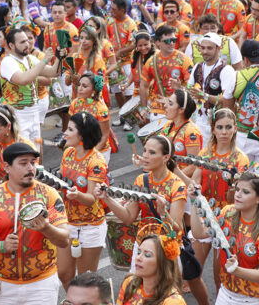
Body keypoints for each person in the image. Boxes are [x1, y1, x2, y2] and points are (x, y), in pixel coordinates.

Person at [0, 143, 69, 304]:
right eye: (23, 163)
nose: (30, 168)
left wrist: (46, 228)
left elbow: (64, 239)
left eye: (33, 162)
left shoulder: (49, 194)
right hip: (2, 285)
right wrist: (2, 246)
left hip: (41, 285)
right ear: (7, 167)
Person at [94, 134, 187, 272]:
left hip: (166, 248)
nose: (145, 156)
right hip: (143, 246)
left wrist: (163, 213)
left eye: (152, 152)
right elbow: (128, 217)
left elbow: (177, 228)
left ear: (166, 158)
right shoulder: (141, 180)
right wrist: (106, 198)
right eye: (145, 151)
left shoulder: (177, 186)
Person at [191, 171, 259, 305]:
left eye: (245, 192)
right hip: (225, 294)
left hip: (255, 299)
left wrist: (237, 270)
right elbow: (199, 233)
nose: (237, 194)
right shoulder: (228, 212)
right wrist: (194, 201)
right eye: (237, 189)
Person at [190, 108, 249, 290]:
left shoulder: (241, 159)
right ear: (213, 129)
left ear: (235, 129)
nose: (224, 132)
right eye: (220, 127)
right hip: (203, 214)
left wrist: (233, 187)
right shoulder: (205, 153)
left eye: (228, 127)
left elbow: (238, 199)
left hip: (226, 220)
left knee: (220, 277)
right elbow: (196, 179)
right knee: (191, 273)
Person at [57, 112, 108, 290]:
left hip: (89, 227)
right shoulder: (68, 153)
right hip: (67, 223)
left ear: (82, 135)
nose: (65, 132)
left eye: (70, 129)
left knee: (86, 282)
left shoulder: (96, 162)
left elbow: (92, 199)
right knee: (63, 273)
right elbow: (63, 183)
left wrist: (77, 195)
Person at [0, 28, 65, 150]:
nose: (27, 44)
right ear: (11, 45)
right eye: (22, 42)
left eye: (28, 41)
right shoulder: (7, 61)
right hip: (17, 113)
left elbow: (53, 73)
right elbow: (23, 79)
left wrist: (59, 58)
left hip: (34, 111)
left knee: (35, 150)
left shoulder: (30, 59)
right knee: (23, 150)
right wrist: (45, 60)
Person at [188, 32, 236, 145]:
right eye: (203, 48)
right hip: (199, 120)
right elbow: (190, 90)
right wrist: (179, 88)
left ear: (218, 49)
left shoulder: (226, 70)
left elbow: (227, 99)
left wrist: (204, 96)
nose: (205, 51)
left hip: (219, 123)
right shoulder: (197, 66)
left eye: (209, 48)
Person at [116, 226, 186, 304]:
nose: (138, 258)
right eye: (139, 252)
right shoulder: (129, 282)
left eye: (147, 255)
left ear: (162, 263)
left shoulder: (173, 301)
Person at [140, 26, 193, 124]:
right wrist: (144, 107)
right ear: (157, 43)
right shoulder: (151, 61)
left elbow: (192, 86)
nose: (172, 43)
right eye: (167, 41)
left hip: (177, 110)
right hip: (158, 111)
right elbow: (143, 86)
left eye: (174, 40)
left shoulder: (184, 59)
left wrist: (180, 88)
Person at [107, 0, 137, 125]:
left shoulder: (131, 24)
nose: (111, 11)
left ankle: (129, 119)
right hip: (114, 63)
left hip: (126, 63)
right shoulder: (109, 22)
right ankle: (122, 115)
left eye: (114, 9)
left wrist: (120, 52)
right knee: (117, 90)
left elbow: (135, 43)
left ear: (122, 10)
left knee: (128, 92)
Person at [68, 74, 111, 162]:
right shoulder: (75, 104)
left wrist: (90, 154)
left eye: (84, 86)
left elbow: (104, 136)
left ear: (94, 90)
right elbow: (71, 128)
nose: (79, 88)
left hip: (98, 151)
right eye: (79, 85)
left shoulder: (101, 109)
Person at [121, 31, 155, 97]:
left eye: (146, 44)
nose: (143, 48)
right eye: (140, 45)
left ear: (151, 42)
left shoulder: (156, 55)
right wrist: (127, 84)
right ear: (136, 45)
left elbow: (158, 77)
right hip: (138, 92)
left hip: (152, 94)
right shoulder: (134, 53)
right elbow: (133, 71)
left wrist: (145, 87)